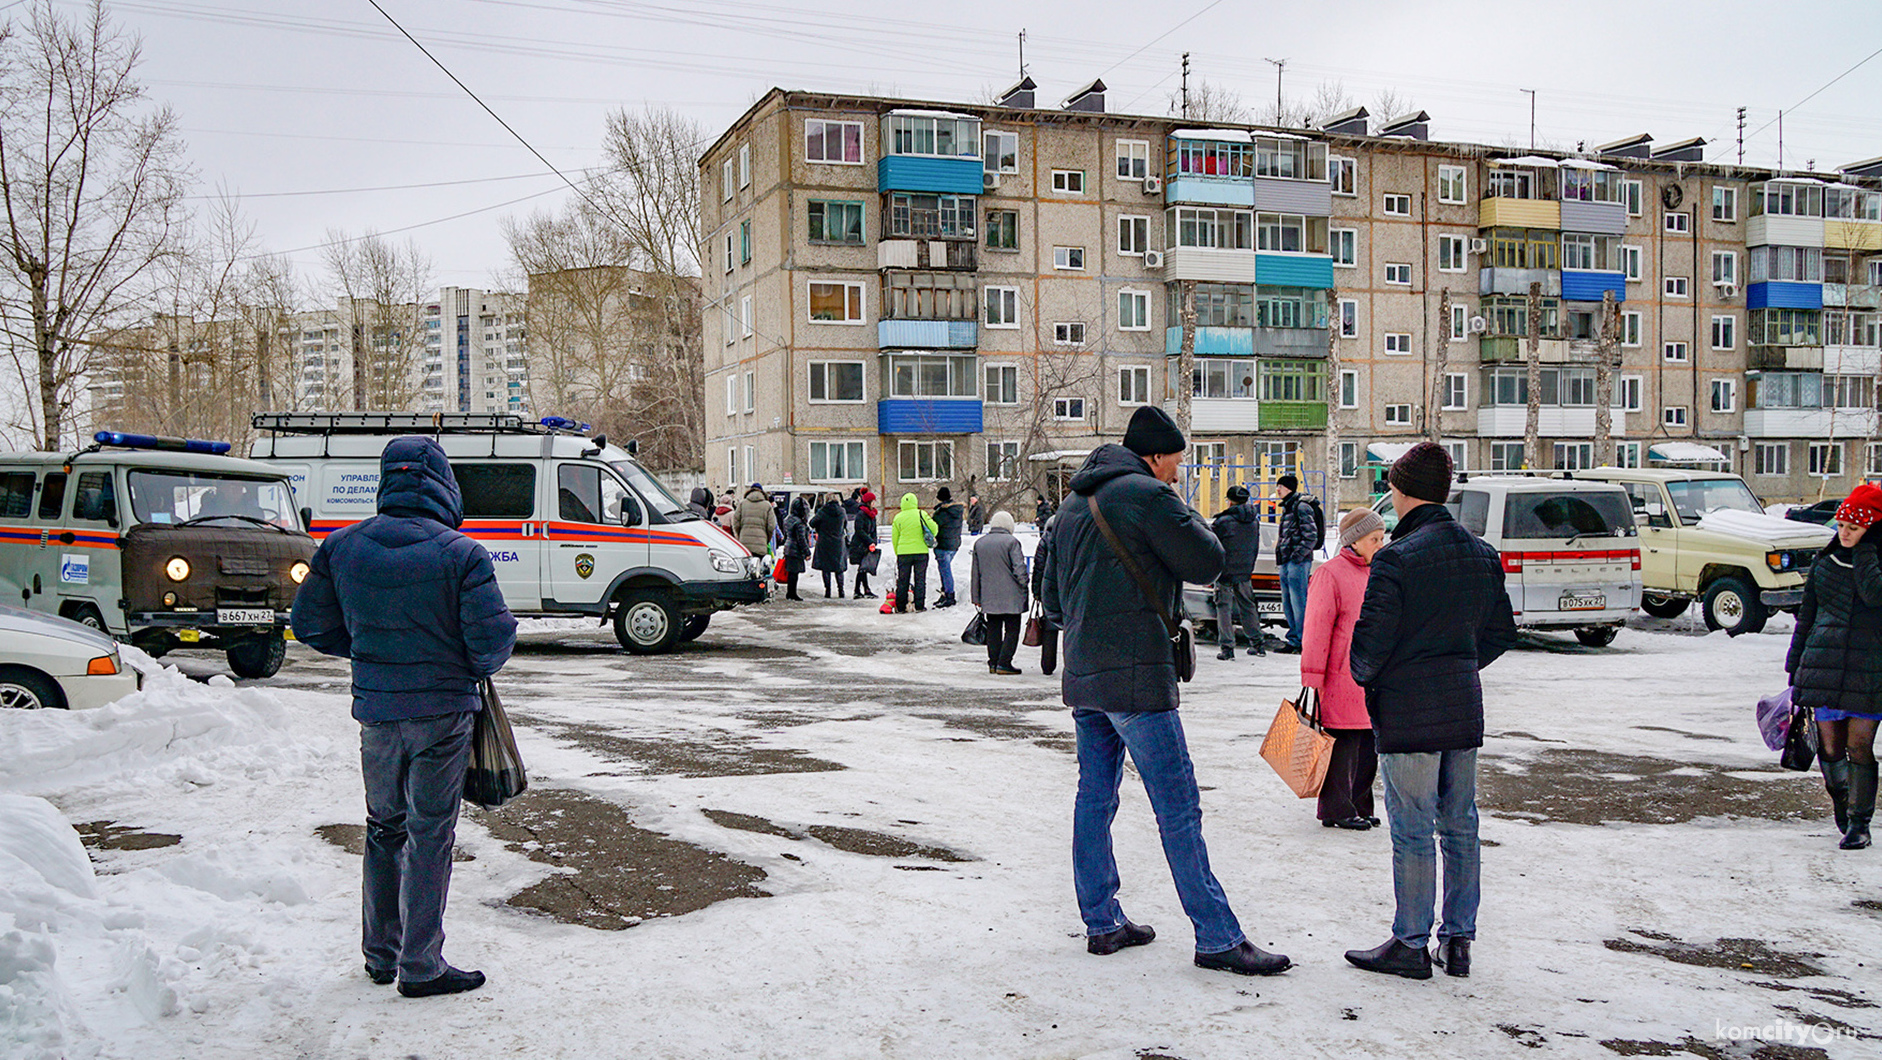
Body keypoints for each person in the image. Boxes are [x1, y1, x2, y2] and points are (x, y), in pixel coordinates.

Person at [1042, 405, 1291, 977]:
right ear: (1155, 455)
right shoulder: (1149, 496)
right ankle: (1218, 937)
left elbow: (1053, 604)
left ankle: (1102, 922)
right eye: (1177, 460)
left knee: (1095, 799)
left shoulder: (1074, 504)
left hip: (1085, 678)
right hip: (1137, 678)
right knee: (1178, 808)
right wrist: (1183, 514)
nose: (1179, 471)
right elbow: (1210, 560)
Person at [291, 436, 516, 998]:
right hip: (442, 714)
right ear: (443, 483)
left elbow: (311, 626)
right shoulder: (462, 554)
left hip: (377, 713)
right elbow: (490, 644)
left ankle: (380, 954)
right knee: (430, 832)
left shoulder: (341, 548)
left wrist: (372, 651)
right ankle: (421, 965)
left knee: (383, 828)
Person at [1345, 442, 1516, 981]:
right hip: (1461, 705)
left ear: (1400, 491)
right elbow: (1499, 633)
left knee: (1414, 829)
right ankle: (1459, 940)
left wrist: (1380, 676)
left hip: (1409, 710)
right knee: (1460, 825)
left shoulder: (1396, 556)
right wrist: (1459, 663)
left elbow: (1368, 648)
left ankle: (1410, 942)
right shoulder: (1480, 553)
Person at [1787, 482, 1882, 850]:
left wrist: (1866, 553)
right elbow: (1805, 618)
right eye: (1842, 526)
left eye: (1854, 528)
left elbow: (1875, 595)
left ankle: (1860, 822)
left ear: (1871, 529)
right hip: (1823, 665)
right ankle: (1842, 804)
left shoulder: (1872, 564)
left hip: (1868, 670)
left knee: (1860, 746)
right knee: (1830, 749)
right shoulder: (1824, 564)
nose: (1844, 533)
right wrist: (1794, 668)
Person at [1302, 508, 1388, 831]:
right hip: (1339, 675)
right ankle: (1336, 809)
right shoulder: (1330, 574)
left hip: (1372, 676)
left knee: (1368, 745)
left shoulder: (1377, 573)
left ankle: (1361, 804)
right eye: (1374, 539)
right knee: (1342, 745)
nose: (1380, 544)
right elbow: (1316, 628)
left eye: (1382, 538)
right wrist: (1312, 675)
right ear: (1354, 541)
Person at [1210, 484, 1266, 660]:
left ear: (1230, 501)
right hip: (1244, 570)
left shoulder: (1222, 522)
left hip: (1224, 571)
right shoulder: (1253, 521)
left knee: (1223, 608)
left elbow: (1212, 545)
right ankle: (1257, 644)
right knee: (1248, 606)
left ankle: (1227, 648)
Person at [972, 510, 1029, 675]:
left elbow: (975, 573)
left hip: (989, 596)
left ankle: (993, 662)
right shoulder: (1012, 542)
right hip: (1011, 596)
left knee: (993, 629)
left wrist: (976, 597)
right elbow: (1019, 570)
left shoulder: (980, 543)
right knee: (1012, 629)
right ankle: (1004, 662)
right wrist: (1025, 585)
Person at [1273, 474, 1324, 655]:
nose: (1277, 489)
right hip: (1288, 560)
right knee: (1288, 602)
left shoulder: (1300, 507)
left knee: (1298, 601)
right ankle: (1294, 638)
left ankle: (1303, 639)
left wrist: (1297, 555)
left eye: (1281, 486)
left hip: (1297, 562)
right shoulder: (1288, 507)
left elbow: (1311, 535)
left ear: (1290, 488)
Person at [891, 492, 938, 613]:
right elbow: (934, 528)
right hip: (921, 552)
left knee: (903, 581)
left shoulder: (898, 517)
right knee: (920, 579)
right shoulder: (921, 514)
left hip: (903, 553)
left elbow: (894, 538)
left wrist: (898, 552)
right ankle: (919, 605)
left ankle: (900, 607)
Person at [1031, 512, 1060, 675]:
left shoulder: (1044, 542)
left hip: (1047, 587)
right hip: (1067, 588)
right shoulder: (1068, 539)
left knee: (1049, 626)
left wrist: (1036, 590)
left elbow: (1039, 567)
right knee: (1071, 627)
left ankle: (1048, 665)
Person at [932, 487, 966, 608]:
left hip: (943, 545)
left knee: (945, 571)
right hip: (954, 544)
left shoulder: (943, 512)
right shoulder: (957, 510)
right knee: (944, 570)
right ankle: (945, 593)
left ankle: (949, 596)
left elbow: (933, 525)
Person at [810, 496, 849, 599]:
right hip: (838, 542)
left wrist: (820, 528)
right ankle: (841, 591)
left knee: (826, 568)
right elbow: (845, 524)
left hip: (825, 542)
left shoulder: (823, 511)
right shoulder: (842, 511)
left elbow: (812, 523)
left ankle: (828, 591)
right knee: (839, 568)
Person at [731, 483, 777, 559]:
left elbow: (736, 522)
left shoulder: (742, 504)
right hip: (761, 544)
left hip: (744, 544)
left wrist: (740, 534)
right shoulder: (767, 505)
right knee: (759, 569)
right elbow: (771, 526)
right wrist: (766, 539)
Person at [849, 490, 880, 598]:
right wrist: (870, 541)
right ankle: (859, 590)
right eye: (873, 501)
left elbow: (874, 530)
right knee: (862, 568)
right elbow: (859, 530)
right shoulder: (861, 514)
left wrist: (874, 541)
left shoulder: (872, 515)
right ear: (868, 502)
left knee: (864, 568)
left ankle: (863, 590)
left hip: (868, 544)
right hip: (859, 545)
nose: (874, 503)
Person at [780, 498, 811, 601]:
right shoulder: (799, 523)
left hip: (788, 548)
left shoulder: (788, 519)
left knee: (791, 573)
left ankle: (791, 593)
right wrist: (807, 551)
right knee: (794, 573)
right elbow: (801, 539)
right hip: (795, 549)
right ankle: (792, 593)